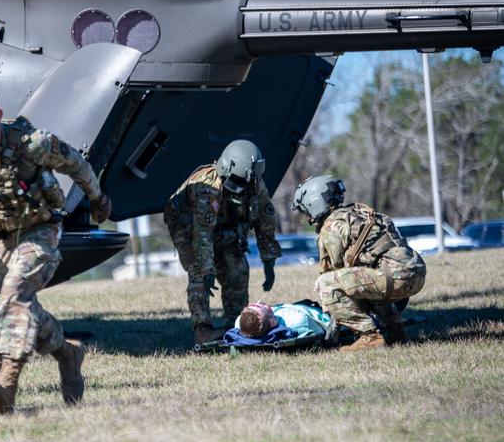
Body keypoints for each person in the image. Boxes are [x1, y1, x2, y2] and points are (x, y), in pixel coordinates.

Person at [0, 83, 112, 413]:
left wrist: (98, 198)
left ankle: (7, 382)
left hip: (39, 230)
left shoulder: (33, 143)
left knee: (14, 295)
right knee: (23, 304)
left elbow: (76, 164)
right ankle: (67, 354)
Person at [164, 139, 282, 345]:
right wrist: (208, 270)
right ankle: (203, 329)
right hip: (189, 228)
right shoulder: (207, 188)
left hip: (224, 226)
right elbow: (202, 235)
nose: (240, 188)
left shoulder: (255, 184)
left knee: (237, 269)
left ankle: (235, 324)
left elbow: (265, 220)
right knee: (198, 273)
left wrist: (269, 259)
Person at [291, 175, 426, 351]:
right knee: (365, 279)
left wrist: (336, 323)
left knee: (326, 284)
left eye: (305, 210)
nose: (306, 215)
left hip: (394, 277)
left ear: (313, 203)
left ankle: (369, 336)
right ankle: (397, 334)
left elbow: (332, 275)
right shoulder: (362, 213)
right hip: (416, 273)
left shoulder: (331, 227)